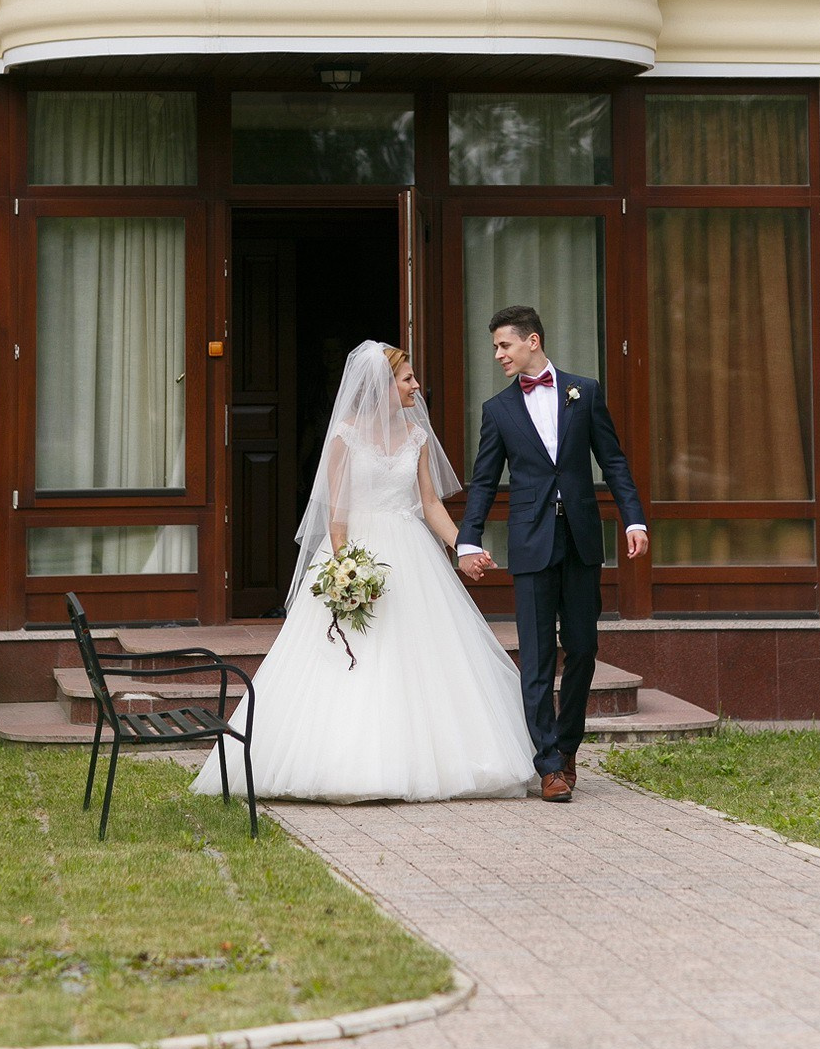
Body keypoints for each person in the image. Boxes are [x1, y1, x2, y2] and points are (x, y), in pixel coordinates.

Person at [193, 339, 535, 803]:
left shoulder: (415, 437)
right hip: (358, 552)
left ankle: (431, 762)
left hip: (411, 552)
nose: (417, 386)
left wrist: (463, 545)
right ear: (383, 386)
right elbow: (337, 512)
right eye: (408, 378)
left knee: (423, 658)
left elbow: (430, 503)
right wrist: (345, 567)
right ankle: (339, 763)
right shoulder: (346, 436)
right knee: (350, 658)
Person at [456, 306, 648, 802]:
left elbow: (613, 459)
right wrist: (468, 539)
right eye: (496, 347)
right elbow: (483, 482)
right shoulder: (497, 410)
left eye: (505, 345)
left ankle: (567, 745)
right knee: (537, 657)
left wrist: (634, 517)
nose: (498, 354)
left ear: (532, 341)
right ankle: (547, 765)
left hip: (581, 540)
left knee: (583, 647)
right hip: (530, 541)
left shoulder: (583, 392)